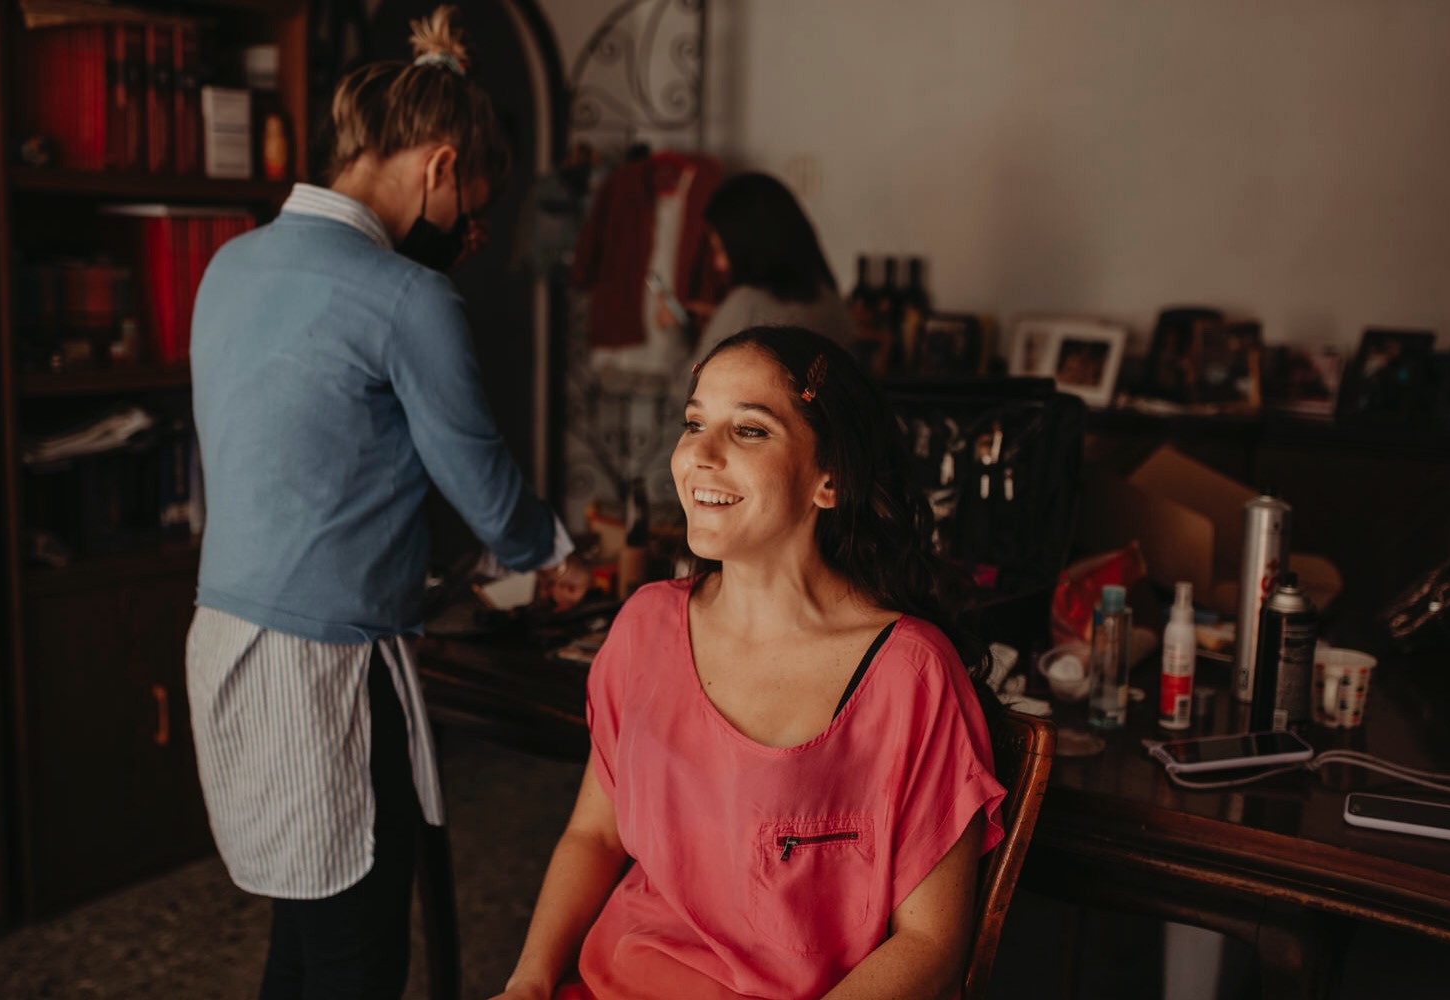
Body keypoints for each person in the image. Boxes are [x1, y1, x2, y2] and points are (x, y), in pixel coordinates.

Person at [186, 7, 575, 997]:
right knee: (358, 955)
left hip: (225, 640)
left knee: (302, 933)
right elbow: (479, 476)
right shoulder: (408, 298)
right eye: (471, 200)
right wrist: (553, 553)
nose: (468, 229)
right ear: (441, 167)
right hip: (327, 670)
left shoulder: (229, 264)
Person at [494, 327, 1008, 1000]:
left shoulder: (908, 677)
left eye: (750, 431)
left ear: (830, 479)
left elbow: (930, 947)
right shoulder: (646, 626)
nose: (699, 455)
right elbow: (593, 835)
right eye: (694, 423)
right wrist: (528, 983)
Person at [676, 172, 858, 371]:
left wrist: (672, 331)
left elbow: (690, 385)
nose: (719, 264)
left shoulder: (746, 304)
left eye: (721, 250)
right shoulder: (831, 301)